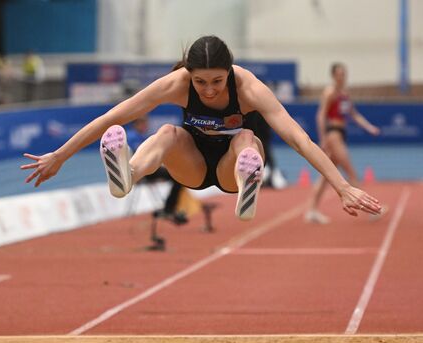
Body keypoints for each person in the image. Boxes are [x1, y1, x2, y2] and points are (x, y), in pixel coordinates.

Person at [21, 36, 381, 221]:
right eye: (200, 82)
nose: (208, 90)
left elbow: (299, 139)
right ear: (188, 75)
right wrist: (60, 155)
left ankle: (247, 185)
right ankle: (128, 174)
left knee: (246, 137)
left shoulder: (250, 87)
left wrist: (342, 186)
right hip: (190, 164)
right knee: (166, 134)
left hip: (228, 168)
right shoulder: (176, 84)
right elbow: (113, 116)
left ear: (231, 72)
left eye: (217, 81)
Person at [305, 62, 381, 224]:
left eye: (343, 74)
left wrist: (369, 127)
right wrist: (323, 138)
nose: (342, 77)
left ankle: (312, 210)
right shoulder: (330, 92)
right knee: (351, 172)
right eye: (339, 74)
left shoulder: (344, 94)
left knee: (326, 175)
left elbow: (354, 114)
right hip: (333, 134)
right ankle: (371, 210)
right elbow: (321, 115)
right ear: (333, 76)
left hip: (340, 133)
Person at [127, 116, 187, 224]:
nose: (146, 126)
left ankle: (170, 209)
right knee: (179, 178)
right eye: (143, 123)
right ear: (136, 124)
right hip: (140, 172)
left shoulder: (142, 136)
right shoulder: (132, 137)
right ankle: (169, 209)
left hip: (147, 170)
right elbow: (140, 158)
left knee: (179, 176)